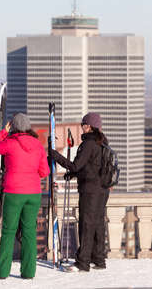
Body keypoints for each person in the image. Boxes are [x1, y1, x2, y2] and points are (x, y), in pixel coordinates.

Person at [0, 113, 50, 279]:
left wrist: (3, 133)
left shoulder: (9, 143)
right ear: (28, 127)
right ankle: (29, 272)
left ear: (13, 126)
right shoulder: (37, 144)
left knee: (8, 231)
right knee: (29, 232)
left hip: (13, 192)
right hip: (34, 193)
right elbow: (45, 171)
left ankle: (2, 272)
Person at [49, 112, 109, 272]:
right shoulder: (103, 142)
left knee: (87, 225)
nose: (82, 126)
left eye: (83, 124)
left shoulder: (89, 143)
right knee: (97, 224)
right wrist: (74, 174)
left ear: (89, 126)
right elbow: (92, 166)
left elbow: (76, 165)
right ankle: (99, 260)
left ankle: (82, 263)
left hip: (90, 191)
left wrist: (55, 156)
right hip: (102, 190)